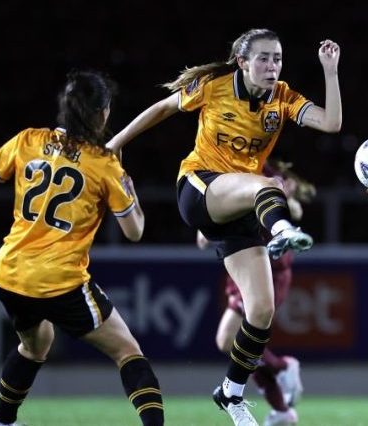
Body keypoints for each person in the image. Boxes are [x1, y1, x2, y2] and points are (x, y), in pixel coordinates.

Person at [106, 28, 341, 425]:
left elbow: (332, 123)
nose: (272, 66)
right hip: (199, 187)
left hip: (239, 207)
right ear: (243, 61)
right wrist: (116, 143)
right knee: (268, 186)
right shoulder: (214, 85)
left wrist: (330, 72)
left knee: (262, 311)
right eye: (264, 58)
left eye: (278, 58)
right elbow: (162, 109)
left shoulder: (282, 97)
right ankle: (281, 230)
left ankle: (231, 392)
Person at [0, 70, 164, 426]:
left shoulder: (29, 140)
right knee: (127, 351)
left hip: (12, 276)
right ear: (102, 113)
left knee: (35, 346)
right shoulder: (104, 164)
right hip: (61, 281)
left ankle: (2, 423)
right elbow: (135, 230)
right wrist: (124, 179)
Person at [199, 161, 313, 426]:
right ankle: (281, 409)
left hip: (266, 264)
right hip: (241, 258)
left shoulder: (261, 168)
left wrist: (287, 200)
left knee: (228, 339)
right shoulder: (224, 165)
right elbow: (206, 231)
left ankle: (281, 367)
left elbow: (290, 205)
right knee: (245, 344)